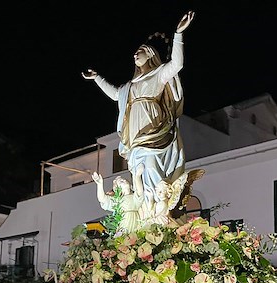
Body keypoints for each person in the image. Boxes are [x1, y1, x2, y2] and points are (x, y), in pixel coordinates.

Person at [83, 11, 195, 211]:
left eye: (140, 51)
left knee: (150, 165)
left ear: (150, 54)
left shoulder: (158, 74)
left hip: (153, 129)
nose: (135, 55)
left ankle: (156, 208)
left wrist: (178, 34)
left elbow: (177, 64)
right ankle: (143, 208)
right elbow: (116, 94)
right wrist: (97, 78)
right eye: (134, 53)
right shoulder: (130, 85)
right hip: (134, 133)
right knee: (137, 171)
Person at [92, 164, 144, 234]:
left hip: (136, 222)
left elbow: (140, 192)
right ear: (117, 188)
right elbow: (102, 199)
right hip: (124, 224)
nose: (123, 180)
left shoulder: (133, 197)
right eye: (121, 182)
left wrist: (137, 176)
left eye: (124, 180)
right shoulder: (118, 200)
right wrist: (100, 185)